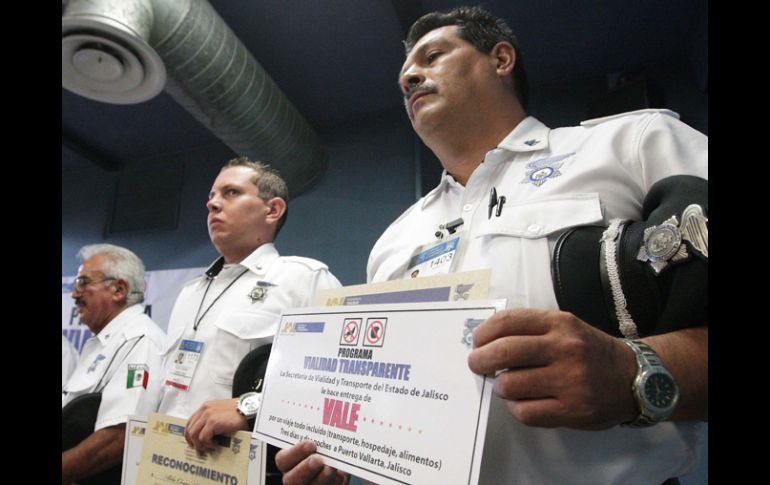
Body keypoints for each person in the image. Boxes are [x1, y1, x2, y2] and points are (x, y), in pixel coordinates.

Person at [276, 5, 707, 485]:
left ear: (501, 59)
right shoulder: (393, 241)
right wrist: (345, 452)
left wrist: (631, 374)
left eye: (432, 56)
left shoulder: (633, 143)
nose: (411, 78)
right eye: (404, 78)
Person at [151, 157, 341, 456]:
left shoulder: (302, 279)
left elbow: (337, 382)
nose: (212, 204)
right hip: (167, 460)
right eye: (211, 197)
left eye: (231, 193)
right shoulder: (190, 292)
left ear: (273, 209)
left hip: (245, 463)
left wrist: (249, 407)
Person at [62, 244, 165, 485]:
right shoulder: (103, 341)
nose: (75, 294)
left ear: (118, 289)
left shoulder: (140, 341)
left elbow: (120, 435)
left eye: (83, 283)